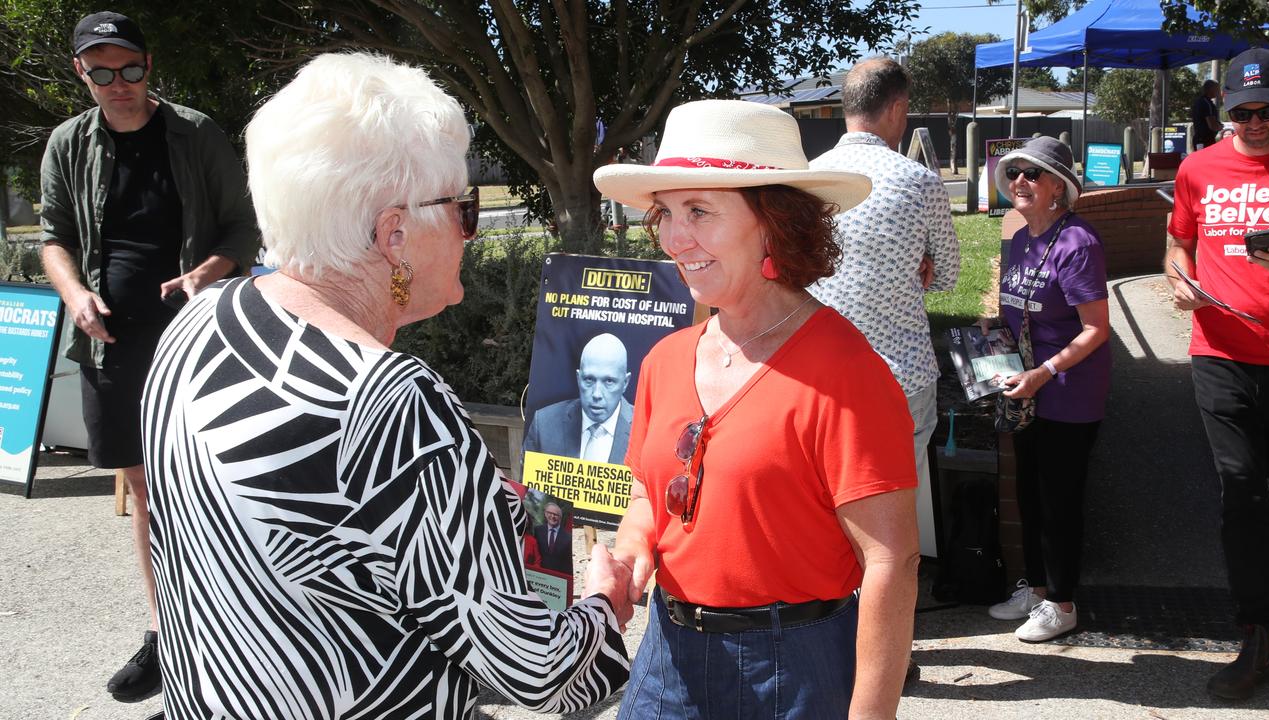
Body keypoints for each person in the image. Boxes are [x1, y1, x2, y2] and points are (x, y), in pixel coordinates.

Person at [140, 52, 631, 719]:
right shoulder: (392, 400)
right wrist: (609, 601)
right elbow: (534, 672)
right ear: (394, 235)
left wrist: (485, 503)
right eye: (464, 208)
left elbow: (317, 509)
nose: (470, 228)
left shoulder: (200, 319)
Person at [595, 99, 920, 719]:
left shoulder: (843, 369)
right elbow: (646, 493)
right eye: (665, 213)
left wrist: (872, 713)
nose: (673, 236)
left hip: (793, 669)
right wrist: (634, 547)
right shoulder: (666, 358)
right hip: (668, 655)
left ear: (773, 224)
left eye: (699, 212)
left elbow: (890, 560)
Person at [38, 11, 259, 702]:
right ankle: (169, 635)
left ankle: (232, 638)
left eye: (128, 68)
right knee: (145, 491)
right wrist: (75, 295)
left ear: (148, 65)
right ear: (82, 73)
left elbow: (243, 227)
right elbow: (53, 237)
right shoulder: (67, 143)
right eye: (101, 71)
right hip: (112, 346)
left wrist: (205, 275)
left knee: (212, 488)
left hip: (197, 341)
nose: (118, 83)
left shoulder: (194, 134)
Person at [808, 57, 960, 559]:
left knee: (823, 503)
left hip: (820, 377)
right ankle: (893, 626)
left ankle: (838, 616)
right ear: (896, 108)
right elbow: (951, 276)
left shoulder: (806, 182)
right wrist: (920, 265)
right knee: (896, 516)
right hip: (902, 375)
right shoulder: (918, 182)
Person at [1165, 47, 1269, 701]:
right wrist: (1177, 276)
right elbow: (1179, 238)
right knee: (1241, 492)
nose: (1256, 124)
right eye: (1243, 113)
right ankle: (1256, 635)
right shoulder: (1199, 168)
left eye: (1268, 111)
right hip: (1221, 353)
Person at [985, 136, 1110, 643]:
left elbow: (1096, 328)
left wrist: (1044, 372)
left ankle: (1062, 602)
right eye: (1013, 171)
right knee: (1030, 495)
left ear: (1058, 186)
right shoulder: (1019, 240)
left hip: (1068, 391)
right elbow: (1012, 315)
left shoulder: (1078, 242)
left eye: (1032, 173)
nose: (1020, 180)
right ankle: (1036, 591)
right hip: (1025, 389)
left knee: (1059, 500)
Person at [523, 332, 633, 463]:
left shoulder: (647, 432)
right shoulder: (543, 424)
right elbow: (527, 482)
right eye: (589, 379)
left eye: (609, 381)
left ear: (625, 383)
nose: (597, 394)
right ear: (578, 378)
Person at [534, 501, 574, 574]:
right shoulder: (537, 531)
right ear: (545, 514)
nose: (552, 516)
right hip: (539, 574)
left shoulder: (568, 538)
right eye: (549, 513)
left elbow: (569, 562)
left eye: (556, 514)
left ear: (560, 517)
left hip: (559, 577)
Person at [1192, 79, 1224, 151]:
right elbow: (1212, 125)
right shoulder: (1207, 103)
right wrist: (1220, 126)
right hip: (1205, 141)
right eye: (1217, 89)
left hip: (1199, 140)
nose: (1219, 91)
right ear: (1211, 89)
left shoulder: (1199, 101)